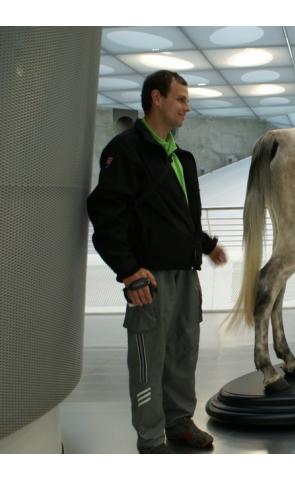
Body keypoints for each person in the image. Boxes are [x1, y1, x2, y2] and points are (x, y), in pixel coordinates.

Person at [87, 70, 227, 454]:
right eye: (180, 99)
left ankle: (179, 422)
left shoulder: (182, 157)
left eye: (187, 100)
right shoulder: (125, 150)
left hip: (186, 273)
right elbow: (105, 213)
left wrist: (207, 246)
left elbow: (181, 217)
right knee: (149, 360)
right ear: (156, 98)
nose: (187, 107)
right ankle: (150, 440)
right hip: (149, 278)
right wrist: (128, 271)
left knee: (183, 352)